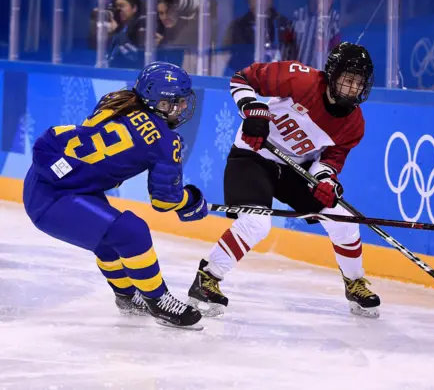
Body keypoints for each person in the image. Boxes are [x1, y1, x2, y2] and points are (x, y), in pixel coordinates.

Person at [187, 42, 381, 319]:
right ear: (332, 74)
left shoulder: (354, 124)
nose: (353, 88)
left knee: (343, 219)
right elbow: (242, 78)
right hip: (253, 154)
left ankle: (355, 283)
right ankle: (207, 278)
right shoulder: (299, 78)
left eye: (358, 83)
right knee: (256, 223)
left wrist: (326, 180)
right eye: (348, 80)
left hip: (295, 169)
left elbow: (330, 160)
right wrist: (252, 109)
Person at [22, 62, 208, 330]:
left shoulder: (116, 101)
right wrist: (191, 201)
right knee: (131, 231)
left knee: (108, 238)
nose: (181, 108)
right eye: (176, 102)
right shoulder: (167, 141)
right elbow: (164, 200)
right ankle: (158, 300)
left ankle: (127, 297)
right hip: (57, 199)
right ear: (160, 103)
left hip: (46, 181)